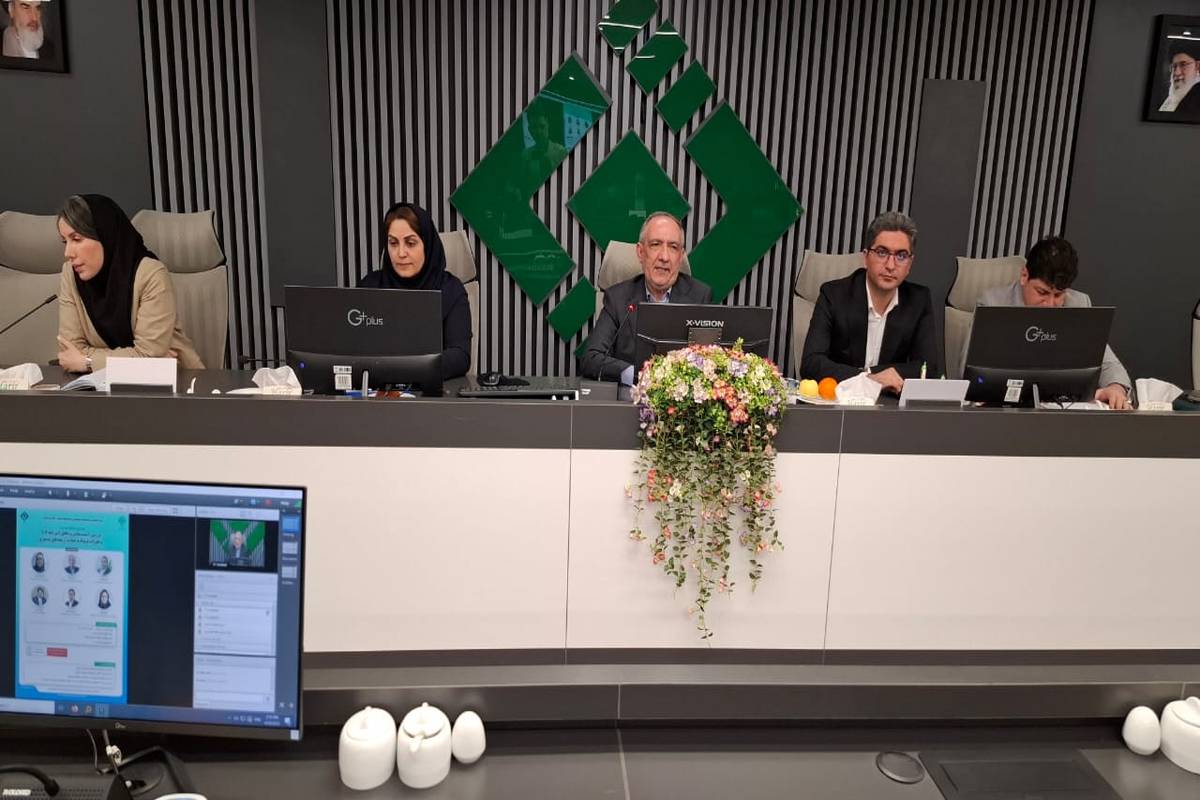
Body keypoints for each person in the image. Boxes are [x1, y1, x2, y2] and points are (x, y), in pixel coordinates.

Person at [968, 235, 1132, 410]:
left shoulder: (1079, 304)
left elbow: (1107, 362)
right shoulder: (992, 304)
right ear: (1024, 276)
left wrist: (1116, 388)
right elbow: (969, 372)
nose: (1050, 304)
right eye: (1042, 292)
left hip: (1061, 413)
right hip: (1003, 411)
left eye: (1059, 295)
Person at [56, 194, 204, 373]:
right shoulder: (70, 275)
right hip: (100, 386)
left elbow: (149, 356)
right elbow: (70, 352)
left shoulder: (150, 274)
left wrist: (88, 362)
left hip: (172, 383)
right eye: (65, 241)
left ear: (105, 235)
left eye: (77, 239)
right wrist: (138, 361)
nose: (68, 253)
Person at [800, 211, 939, 393]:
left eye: (901, 256)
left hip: (888, 405)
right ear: (865, 257)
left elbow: (927, 369)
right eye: (882, 253)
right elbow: (811, 364)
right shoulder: (834, 295)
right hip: (840, 401)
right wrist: (869, 378)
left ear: (910, 264)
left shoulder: (918, 300)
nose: (890, 265)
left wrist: (875, 375)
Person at [580, 212, 713, 383]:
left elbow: (710, 362)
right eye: (655, 244)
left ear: (680, 257)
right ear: (641, 252)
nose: (664, 257)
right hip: (631, 395)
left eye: (673, 247)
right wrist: (637, 374)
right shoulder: (617, 298)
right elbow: (591, 358)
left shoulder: (700, 297)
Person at [357, 202, 472, 379]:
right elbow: (351, 349)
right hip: (377, 391)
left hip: (430, 390)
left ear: (427, 244)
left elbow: (459, 357)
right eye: (393, 243)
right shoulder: (369, 287)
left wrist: (401, 369)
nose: (401, 253)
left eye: (410, 243)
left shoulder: (451, 290)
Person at [1158, 42, 1200, 119]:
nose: (1176, 73)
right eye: (1174, 66)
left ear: (1198, 66)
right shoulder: (1169, 100)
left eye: (1183, 65)